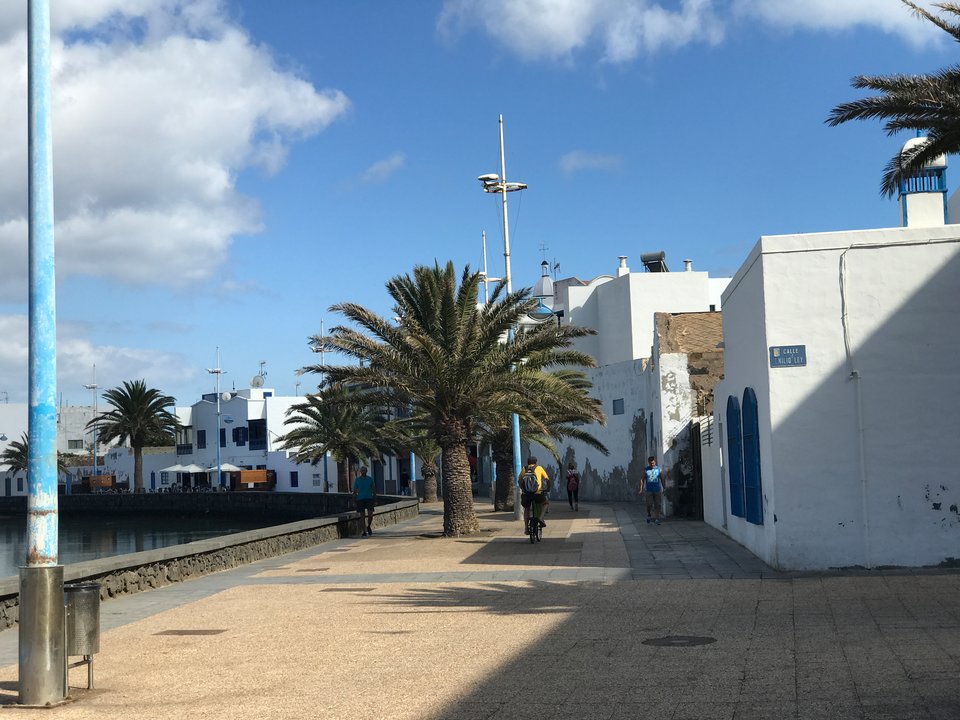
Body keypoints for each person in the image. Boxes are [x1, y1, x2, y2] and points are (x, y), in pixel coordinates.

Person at [519, 456, 550, 532]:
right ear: (536, 462)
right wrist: (548, 488)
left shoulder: (524, 469)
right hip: (537, 493)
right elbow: (547, 479)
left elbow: (519, 481)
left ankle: (526, 528)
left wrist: (523, 489)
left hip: (526, 494)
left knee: (527, 508)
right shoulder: (539, 468)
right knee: (546, 503)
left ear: (528, 462)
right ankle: (541, 518)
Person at [353, 466, 377, 536]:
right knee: (362, 516)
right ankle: (364, 531)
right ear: (360, 471)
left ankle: (368, 526)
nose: (363, 471)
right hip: (360, 499)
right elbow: (354, 491)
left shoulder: (370, 479)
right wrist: (354, 501)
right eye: (362, 470)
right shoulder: (357, 480)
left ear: (366, 471)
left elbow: (374, 490)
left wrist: (375, 500)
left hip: (369, 498)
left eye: (364, 470)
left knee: (370, 515)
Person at [640, 456, 664, 525]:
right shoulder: (646, 470)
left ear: (655, 462)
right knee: (649, 504)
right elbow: (642, 479)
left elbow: (662, 479)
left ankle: (657, 518)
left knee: (658, 504)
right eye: (650, 463)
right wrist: (641, 489)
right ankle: (649, 514)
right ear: (648, 463)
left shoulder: (659, 469)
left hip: (657, 490)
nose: (652, 465)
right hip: (649, 490)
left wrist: (664, 488)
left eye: (653, 463)